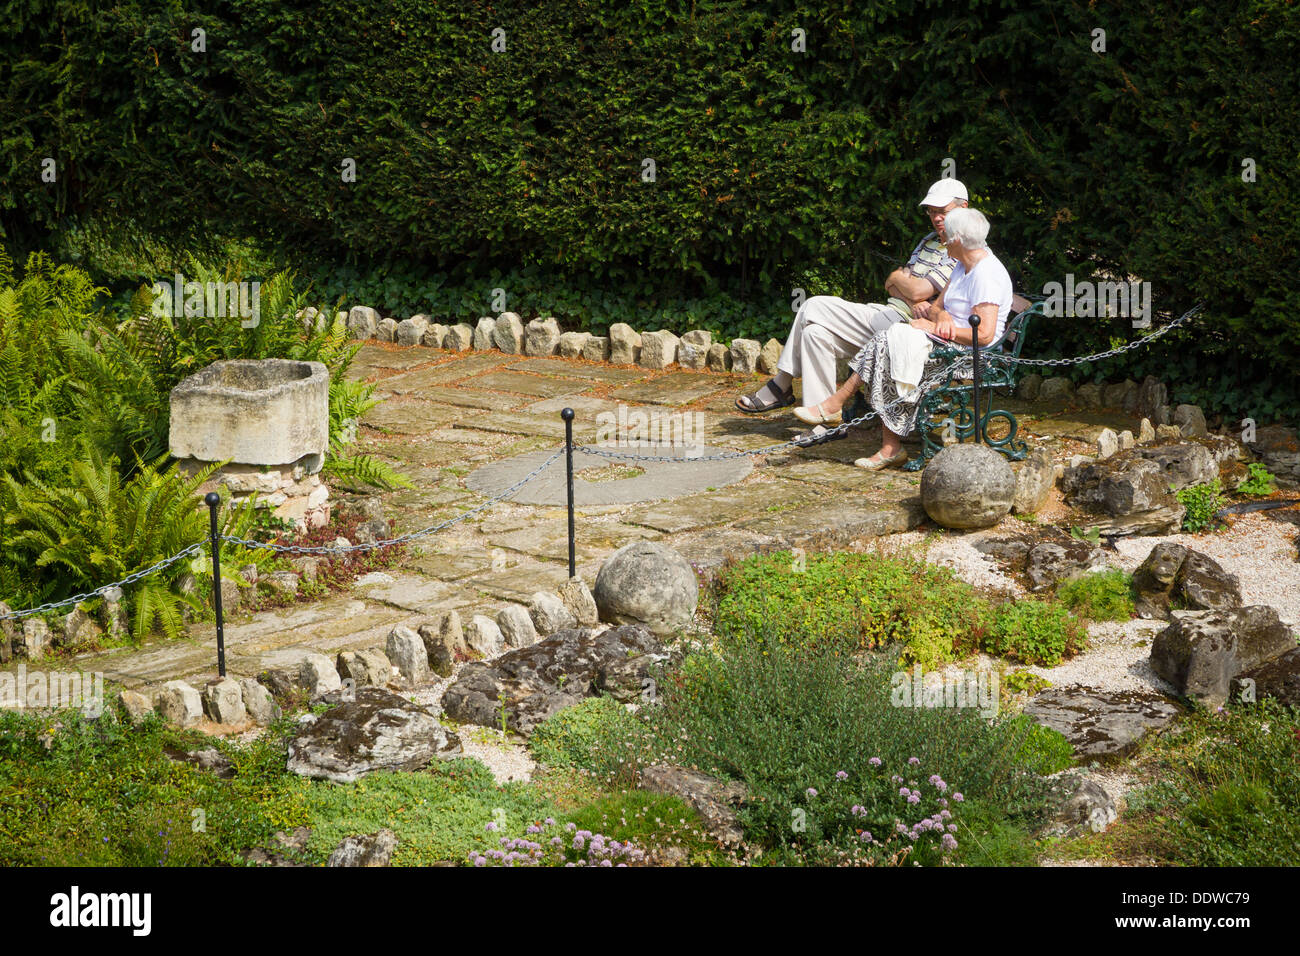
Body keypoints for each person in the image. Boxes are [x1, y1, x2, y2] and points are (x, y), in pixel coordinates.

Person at [735, 179, 969, 446]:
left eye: (944, 211)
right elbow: (892, 285)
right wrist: (903, 283)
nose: (936, 217)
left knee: (812, 306)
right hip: (889, 313)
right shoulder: (928, 241)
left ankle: (781, 385)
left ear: (964, 208)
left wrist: (905, 285)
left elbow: (916, 291)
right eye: (931, 211)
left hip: (906, 328)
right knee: (815, 334)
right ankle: (825, 425)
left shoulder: (960, 246)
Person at [792, 207, 1013, 470]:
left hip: (971, 356)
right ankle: (870, 432)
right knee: (890, 341)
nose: (942, 241)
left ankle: (847, 412)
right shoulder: (962, 266)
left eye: (946, 237)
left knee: (889, 344)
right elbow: (934, 307)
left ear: (957, 240)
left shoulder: (986, 275)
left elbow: (984, 335)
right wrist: (940, 318)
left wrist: (936, 330)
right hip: (946, 343)